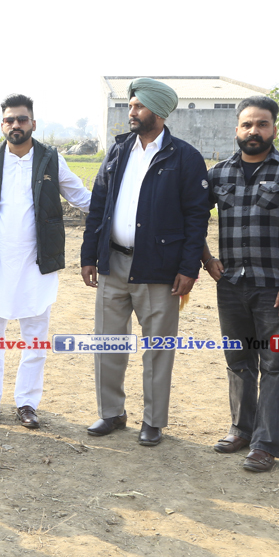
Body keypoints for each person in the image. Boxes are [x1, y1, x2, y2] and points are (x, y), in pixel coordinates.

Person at [80, 78, 209, 446]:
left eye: (138, 106)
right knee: (107, 343)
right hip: (113, 264)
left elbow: (197, 218)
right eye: (131, 105)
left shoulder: (184, 158)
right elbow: (99, 205)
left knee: (158, 348)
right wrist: (89, 254)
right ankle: (111, 412)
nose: (131, 111)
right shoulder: (119, 150)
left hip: (159, 268)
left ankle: (153, 421)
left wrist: (188, 268)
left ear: (159, 111)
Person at [0, 94, 91, 429]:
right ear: (2, 124)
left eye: (21, 119)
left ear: (33, 123)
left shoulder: (50, 158)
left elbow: (79, 195)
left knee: (35, 337)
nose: (15, 125)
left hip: (36, 262)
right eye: (9, 120)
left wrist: (116, 212)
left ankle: (27, 403)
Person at [203, 96, 279, 472]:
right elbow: (193, 218)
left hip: (275, 288)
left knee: (277, 364)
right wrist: (206, 258)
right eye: (247, 124)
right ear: (237, 129)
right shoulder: (218, 174)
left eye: (262, 124)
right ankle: (241, 430)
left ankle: (266, 444)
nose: (254, 131)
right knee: (238, 359)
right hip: (231, 284)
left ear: (274, 129)